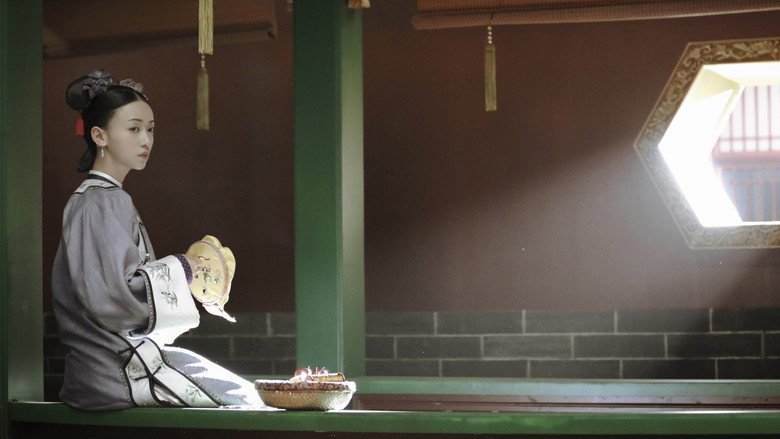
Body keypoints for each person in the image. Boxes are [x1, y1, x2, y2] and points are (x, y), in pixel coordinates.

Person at [52, 69, 263, 410]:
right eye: (133, 129)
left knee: (245, 393)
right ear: (99, 135)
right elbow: (113, 297)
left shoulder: (103, 198)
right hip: (114, 370)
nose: (146, 141)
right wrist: (183, 267)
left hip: (112, 363)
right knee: (247, 400)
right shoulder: (102, 201)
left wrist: (180, 270)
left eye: (150, 129)